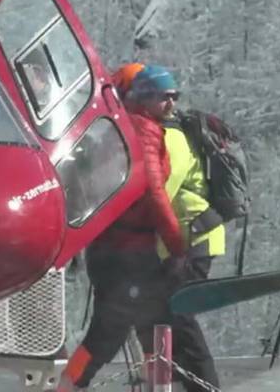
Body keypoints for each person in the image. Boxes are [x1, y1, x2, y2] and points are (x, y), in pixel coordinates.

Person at [58, 64, 187, 391]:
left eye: (175, 96)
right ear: (143, 98)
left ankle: (153, 386)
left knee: (148, 324)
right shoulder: (143, 130)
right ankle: (67, 387)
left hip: (115, 248)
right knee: (113, 330)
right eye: (164, 97)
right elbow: (153, 191)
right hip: (126, 252)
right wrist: (177, 246)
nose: (172, 104)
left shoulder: (121, 125)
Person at [158, 89, 224, 392]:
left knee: (179, 314)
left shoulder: (170, 138)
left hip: (194, 233)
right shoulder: (168, 134)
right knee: (167, 316)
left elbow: (161, 193)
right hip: (189, 234)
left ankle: (206, 386)